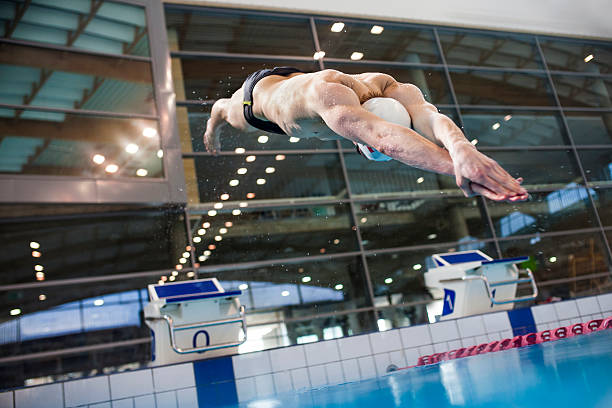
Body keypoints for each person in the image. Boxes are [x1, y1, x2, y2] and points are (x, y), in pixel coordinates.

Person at [204, 67, 528, 202]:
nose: (378, 148)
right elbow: (386, 138)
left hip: (298, 83)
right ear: (360, 142)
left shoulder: (387, 86)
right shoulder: (334, 103)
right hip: (258, 99)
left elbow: (431, 119)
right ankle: (212, 124)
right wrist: (457, 168)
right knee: (225, 113)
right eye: (373, 149)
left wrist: (464, 151)